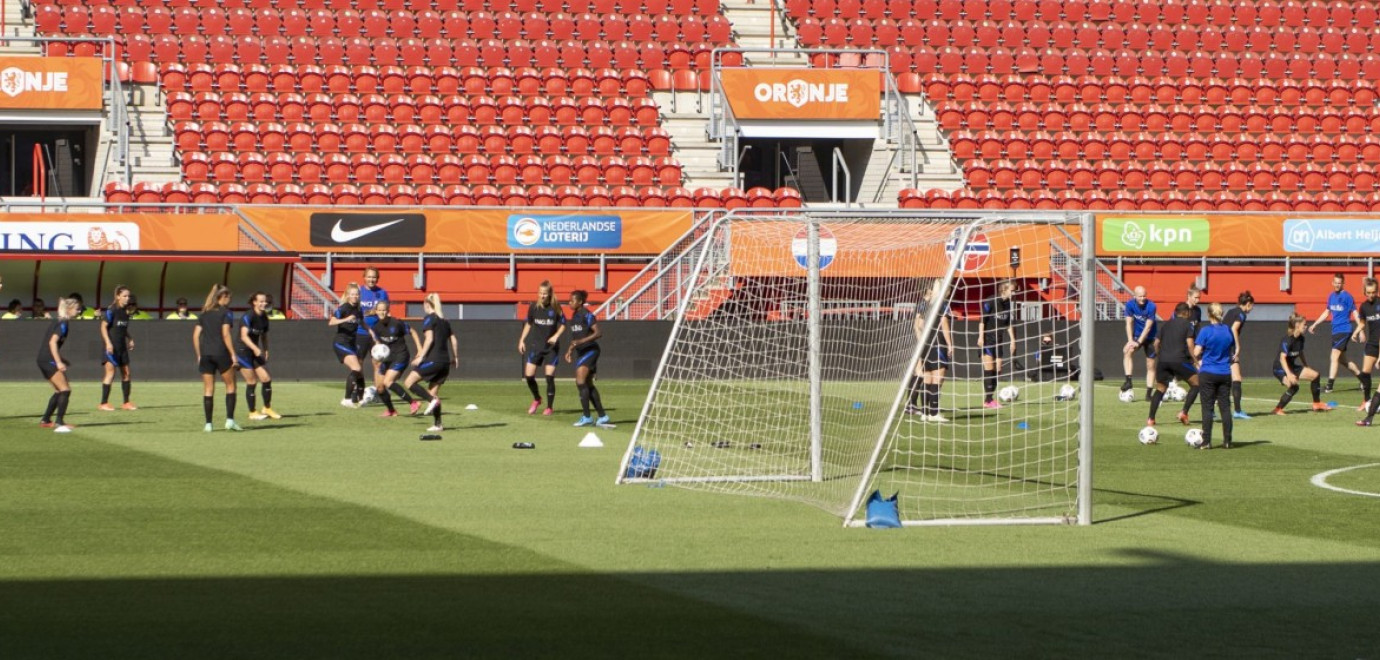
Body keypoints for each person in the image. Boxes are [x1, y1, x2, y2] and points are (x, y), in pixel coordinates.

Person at [402, 293, 457, 432]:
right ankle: (438, 424)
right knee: (432, 393)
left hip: (434, 359)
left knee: (409, 382)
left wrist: (421, 356)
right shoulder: (445, 321)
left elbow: (429, 339)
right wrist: (455, 357)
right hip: (445, 362)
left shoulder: (429, 319)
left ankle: (432, 402)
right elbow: (454, 339)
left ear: (427, 304)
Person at [193, 284, 242, 432]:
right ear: (223, 297)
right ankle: (229, 421)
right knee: (231, 386)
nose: (230, 300)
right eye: (229, 298)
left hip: (206, 354)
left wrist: (199, 355)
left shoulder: (204, 313)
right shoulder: (226, 313)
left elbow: (195, 336)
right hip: (221, 352)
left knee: (208, 389)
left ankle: (208, 424)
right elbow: (226, 334)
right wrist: (233, 354)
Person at [906, 280, 955, 422]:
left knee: (927, 378)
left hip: (925, 345)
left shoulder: (925, 304)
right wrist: (950, 344)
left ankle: (925, 413)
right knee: (937, 379)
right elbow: (944, 324)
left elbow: (918, 325)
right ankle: (934, 413)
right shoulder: (942, 304)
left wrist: (922, 341)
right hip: (938, 343)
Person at [1309, 273, 1363, 396]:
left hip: (1344, 330)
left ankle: (1329, 386)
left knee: (1333, 357)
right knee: (1344, 360)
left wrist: (1360, 330)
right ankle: (1363, 380)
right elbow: (1327, 312)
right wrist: (1315, 324)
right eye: (1336, 282)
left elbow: (1355, 313)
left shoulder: (1347, 297)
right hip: (1335, 331)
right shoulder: (1331, 296)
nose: (1338, 285)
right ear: (1332, 283)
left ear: (1343, 283)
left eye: (1340, 283)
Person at [518, 280, 566, 416]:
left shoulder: (555, 307)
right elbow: (529, 323)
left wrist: (556, 336)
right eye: (540, 293)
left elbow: (563, 324)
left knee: (549, 377)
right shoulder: (534, 307)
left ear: (549, 294)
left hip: (551, 348)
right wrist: (522, 340)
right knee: (529, 376)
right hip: (536, 347)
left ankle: (549, 407)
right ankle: (537, 398)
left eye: (544, 293)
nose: (542, 296)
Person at [1193, 303, 1236, 450]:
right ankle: (1228, 441)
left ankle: (1206, 441)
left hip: (1208, 372)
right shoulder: (1228, 330)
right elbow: (1232, 351)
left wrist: (1196, 357)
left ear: (1209, 314)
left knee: (1207, 408)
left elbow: (1197, 352)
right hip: (1224, 372)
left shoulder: (1206, 331)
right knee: (1225, 407)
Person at [369, 299, 422, 417]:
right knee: (380, 388)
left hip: (401, 355)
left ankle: (413, 402)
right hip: (388, 358)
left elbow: (412, 331)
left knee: (388, 382)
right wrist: (377, 352)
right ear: (376, 311)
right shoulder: (376, 327)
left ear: (388, 311)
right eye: (379, 310)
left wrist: (420, 349)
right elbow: (378, 342)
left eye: (384, 310)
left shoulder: (396, 323)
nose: (382, 312)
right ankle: (391, 411)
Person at [1148, 303, 1198, 426]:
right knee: (1197, 384)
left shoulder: (1166, 325)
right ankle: (1184, 412)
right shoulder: (1188, 325)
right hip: (1179, 360)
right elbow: (1190, 345)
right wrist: (1196, 360)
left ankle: (1151, 419)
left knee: (1160, 388)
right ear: (1187, 313)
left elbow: (1156, 343)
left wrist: (1160, 355)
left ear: (1175, 312)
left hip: (1163, 361)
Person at [565, 289, 609, 427]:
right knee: (588, 384)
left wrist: (581, 342)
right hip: (582, 351)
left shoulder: (586, 314)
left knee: (580, 381)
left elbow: (598, 333)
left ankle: (587, 417)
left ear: (580, 302)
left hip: (590, 350)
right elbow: (575, 339)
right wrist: (570, 350)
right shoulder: (575, 316)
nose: (569, 302)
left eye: (572, 300)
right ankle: (602, 416)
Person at [235, 292, 281, 421]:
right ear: (254, 302)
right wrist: (256, 348)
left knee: (266, 378)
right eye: (261, 301)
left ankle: (267, 408)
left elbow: (264, 335)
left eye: (265, 301)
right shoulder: (248, 316)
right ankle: (252, 412)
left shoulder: (264, 317)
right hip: (243, 350)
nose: (264, 303)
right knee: (252, 381)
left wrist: (266, 349)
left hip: (255, 351)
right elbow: (244, 336)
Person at [1273, 314, 1331, 415]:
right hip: (1280, 368)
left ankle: (1316, 404)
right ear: (1297, 325)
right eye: (1304, 324)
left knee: (1315, 375)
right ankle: (1278, 409)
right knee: (1294, 386)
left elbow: (1300, 352)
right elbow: (1282, 359)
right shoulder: (1287, 339)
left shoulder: (1301, 339)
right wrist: (1289, 374)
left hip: (1291, 366)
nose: (1306, 326)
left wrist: (1306, 365)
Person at [37, 297, 80, 433]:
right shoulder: (63, 323)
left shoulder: (60, 321)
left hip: (43, 359)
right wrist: (58, 361)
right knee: (65, 390)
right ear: (69, 309)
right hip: (48, 359)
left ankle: (45, 420)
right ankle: (59, 422)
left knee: (58, 391)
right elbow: (52, 343)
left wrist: (61, 359)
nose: (79, 312)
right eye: (77, 309)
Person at [977, 280, 1017, 409]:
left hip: (999, 340)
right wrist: (981, 337)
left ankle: (989, 398)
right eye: (1012, 290)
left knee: (998, 370)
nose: (1014, 293)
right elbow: (982, 320)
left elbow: (1007, 323)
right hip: (988, 339)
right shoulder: (990, 301)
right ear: (1003, 289)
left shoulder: (1008, 303)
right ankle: (988, 400)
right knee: (989, 369)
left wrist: (1012, 340)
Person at [329, 283, 368, 408]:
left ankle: (361, 399)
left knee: (359, 371)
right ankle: (346, 399)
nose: (355, 296)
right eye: (352, 294)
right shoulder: (344, 308)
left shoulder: (358, 309)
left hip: (351, 343)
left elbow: (362, 322)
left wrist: (373, 334)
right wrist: (346, 319)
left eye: (357, 294)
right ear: (348, 295)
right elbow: (331, 322)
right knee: (356, 368)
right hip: (341, 342)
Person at [98, 286, 137, 411]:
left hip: (122, 348)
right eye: (125, 296)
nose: (127, 298)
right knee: (110, 373)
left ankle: (126, 402)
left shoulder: (125, 312)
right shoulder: (112, 310)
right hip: (111, 347)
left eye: (128, 296)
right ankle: (103, 403)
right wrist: (108, 343)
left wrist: (130, 338)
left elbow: (122, 329)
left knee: (126, 374)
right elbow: (103, 327)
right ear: (118, 296)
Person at [1122, 286, 1159, 401]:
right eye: (1140, 296)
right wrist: (1130, 340)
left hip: (1150, 337)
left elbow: (1148, 328)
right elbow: (1128, 323)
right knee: (1127, 351)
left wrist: (1138, 342)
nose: (1142, 298)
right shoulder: (1130, 305)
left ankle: (1148, 393)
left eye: (1144, 296)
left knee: (1150, 364)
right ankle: (1128, 381)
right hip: (1137, 335)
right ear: (1134, 296)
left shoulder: (1151, 306)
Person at [1222, 291, 1255, 419]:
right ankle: (1237, 411)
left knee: (1220, 377)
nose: (1252, 309)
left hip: (1221, 345)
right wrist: (1238, 346)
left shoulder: (1231, 311)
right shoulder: (1241, 314)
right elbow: (1234, 328)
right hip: (1228, 346)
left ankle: (1213, 410)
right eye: (1252, 306)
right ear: (1248, 304)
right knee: (1237, 378)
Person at [356, 267, 389, 393]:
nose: (371, 279)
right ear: (364, 277)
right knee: (358, 363)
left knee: (377, 363)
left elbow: (385, 311)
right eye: (369, 277)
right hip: (360, 332)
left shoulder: (382, 293)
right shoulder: (358, 291)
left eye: (374, 277)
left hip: (377, 333)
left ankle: (378, 391)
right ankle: (360, 389)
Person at [1357, 278, 1380, 413]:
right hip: (1371, 344)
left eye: (1374, 292)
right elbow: (1362, 323)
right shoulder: (1364, 307)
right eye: (1368, 292)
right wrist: (1358, 332)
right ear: (1365, 292)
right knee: (1365, 373)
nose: (1371, 295)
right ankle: (1366, 401)